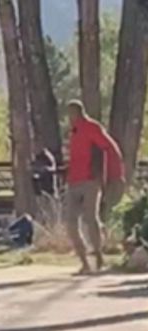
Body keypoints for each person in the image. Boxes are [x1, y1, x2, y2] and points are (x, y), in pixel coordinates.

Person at [66, 100, 125, 274]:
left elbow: (108, 148)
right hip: (73, 180)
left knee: (90, 218)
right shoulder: (74, 131)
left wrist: (112, 175)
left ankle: (98, 254)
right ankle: (84, 261)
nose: (69, 118)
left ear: (78, 112)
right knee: (70, 222)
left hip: (90, 180)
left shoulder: (92, 127)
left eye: (71, 113)